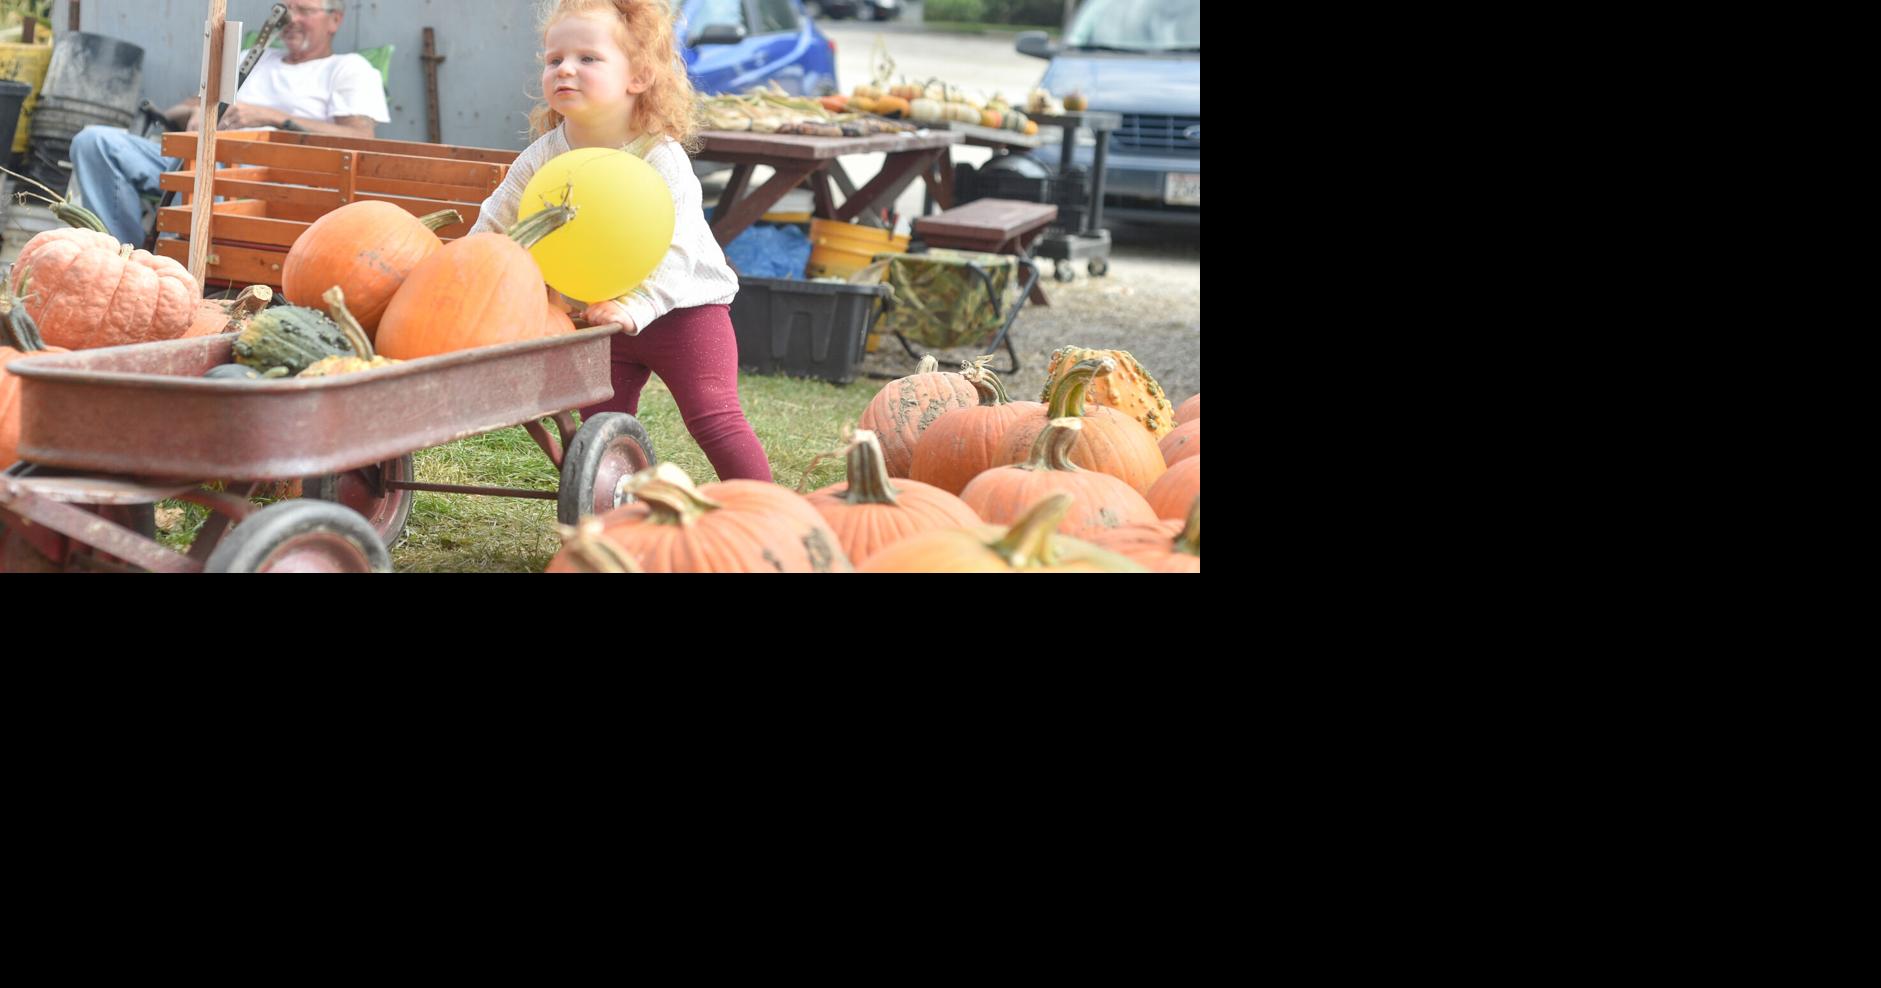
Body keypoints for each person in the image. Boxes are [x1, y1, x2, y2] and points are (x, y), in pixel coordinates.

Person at [471, 0, 771, 483]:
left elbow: (678, 252)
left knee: (713, 415)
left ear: (638, 76)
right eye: (554, 59)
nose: (565, 68)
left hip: (685, 312)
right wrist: (465, 270)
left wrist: (637, 305)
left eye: (588, 58)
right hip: (599, 316)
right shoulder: (544, 155)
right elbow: (499, 222)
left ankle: (769, 511)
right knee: (600, 431)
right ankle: (608, 520)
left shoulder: (660, 156)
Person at [69, 0, 390, 245]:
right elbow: (187, 106)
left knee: (213, 176)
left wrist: (272, 117)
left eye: (304, 10)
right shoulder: (252, 57)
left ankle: (182, 263)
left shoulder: (348, 69)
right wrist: (197, 113)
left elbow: (361, 137)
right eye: (285, 8)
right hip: (199, 158)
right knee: (94, 141)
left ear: (335, 20)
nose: (291, 19)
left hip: (264, 180)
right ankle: (124, 252)